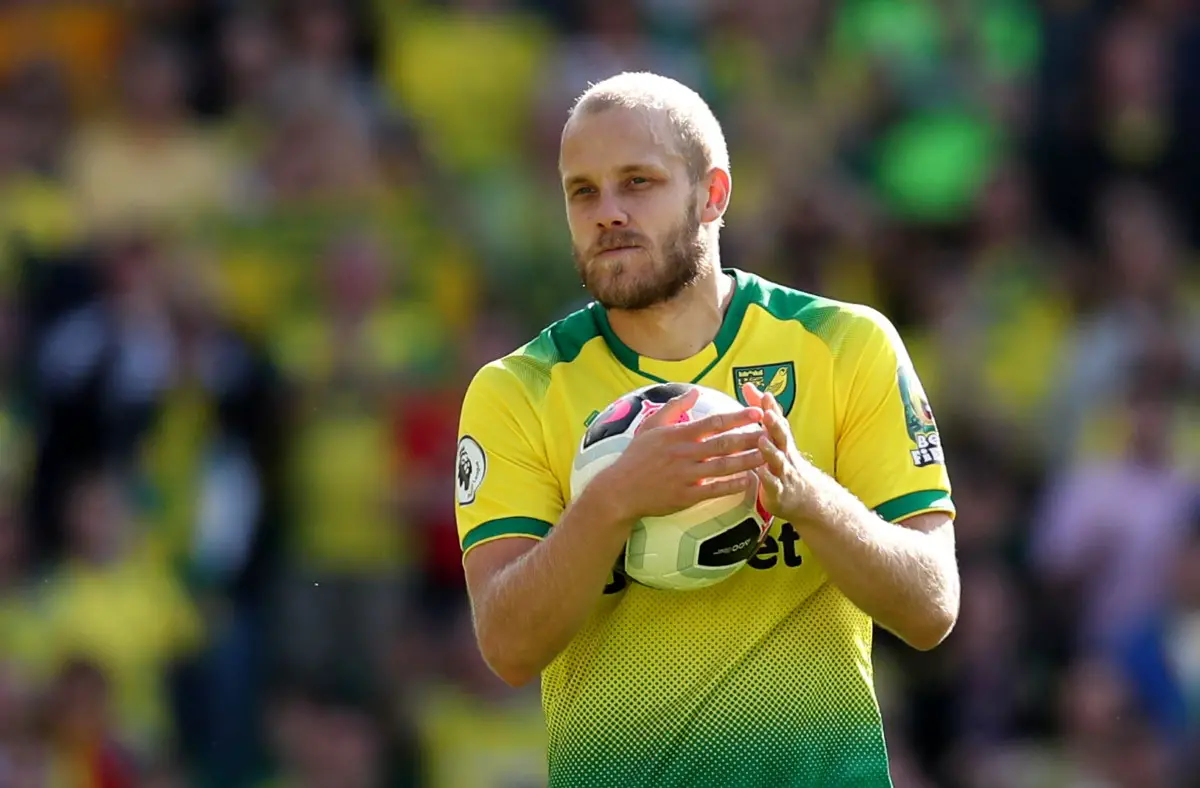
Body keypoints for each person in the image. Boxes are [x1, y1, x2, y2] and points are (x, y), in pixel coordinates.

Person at [454, 72, 959, 788]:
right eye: (583, 192)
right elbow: (507, 648)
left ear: (713, 194)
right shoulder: (518, 390)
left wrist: (806, 496)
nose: (607, 213)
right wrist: (613, 500)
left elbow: (932, 607)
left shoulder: (846, 345)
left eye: (638, 182)